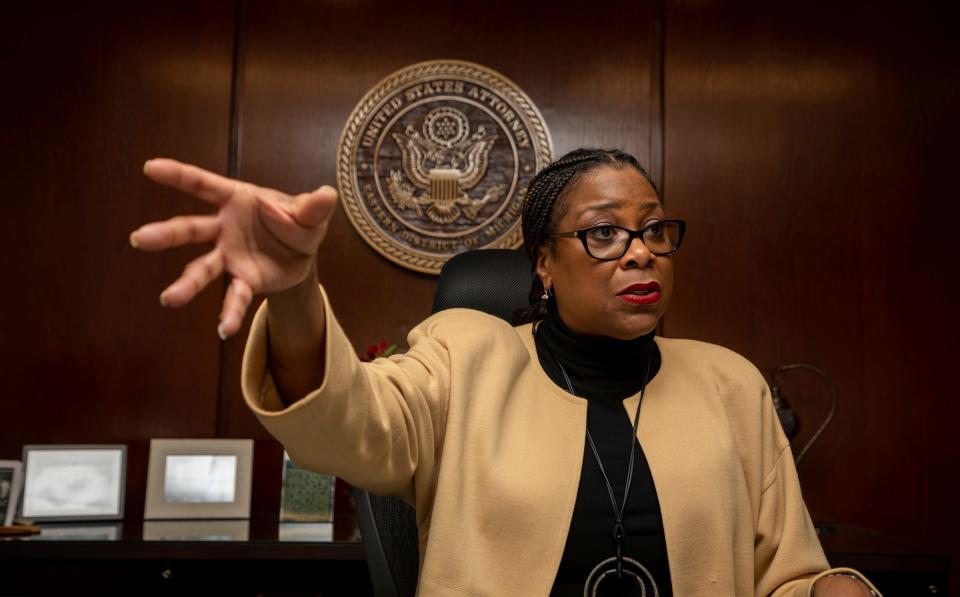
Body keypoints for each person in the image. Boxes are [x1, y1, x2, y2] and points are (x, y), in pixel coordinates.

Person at [132, 148, 880, 596]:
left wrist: (829, 586)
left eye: (654, 229)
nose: (641, 250)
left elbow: (787, 572)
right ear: (544, 266)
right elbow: (344, 425)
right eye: (604, 233)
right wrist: (293, 288)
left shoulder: (730, 383)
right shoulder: (467, 352)